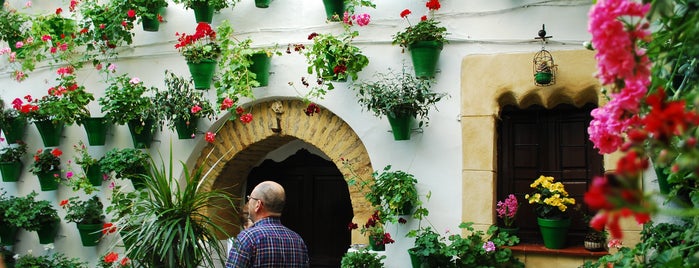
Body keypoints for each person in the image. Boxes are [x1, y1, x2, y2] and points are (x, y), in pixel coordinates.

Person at [226, 181, 310, 267]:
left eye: (250, 198)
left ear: (258, 204)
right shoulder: (297, 240)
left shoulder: (248, 238)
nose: (249, 201)